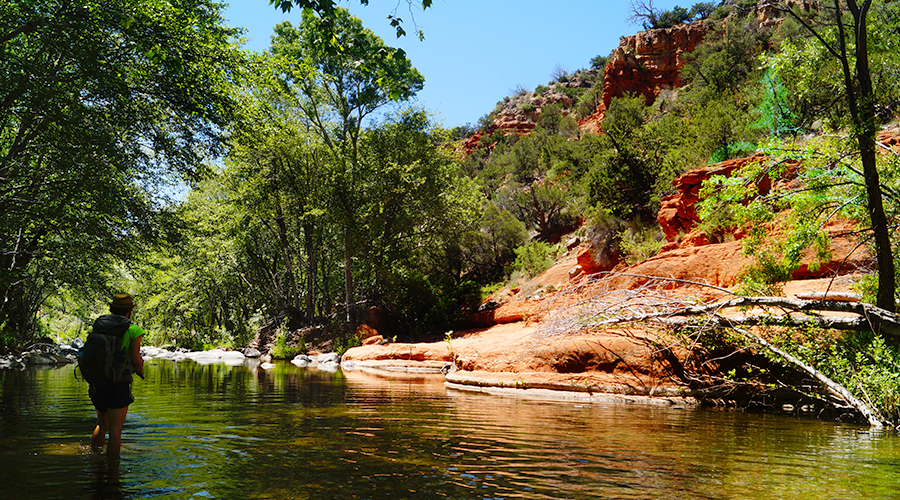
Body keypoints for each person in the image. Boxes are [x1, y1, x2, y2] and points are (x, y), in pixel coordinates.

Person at [89, 293, 145, 458]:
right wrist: (140, 371)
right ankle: (113, 470)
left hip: (97, 381)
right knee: (115, 430)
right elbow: (135, 360)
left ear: (112, 309)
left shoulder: (99, 326)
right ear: (130, 310)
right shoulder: (134, 330)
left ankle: (95, 460)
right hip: (118, 382)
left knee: (101, 423)